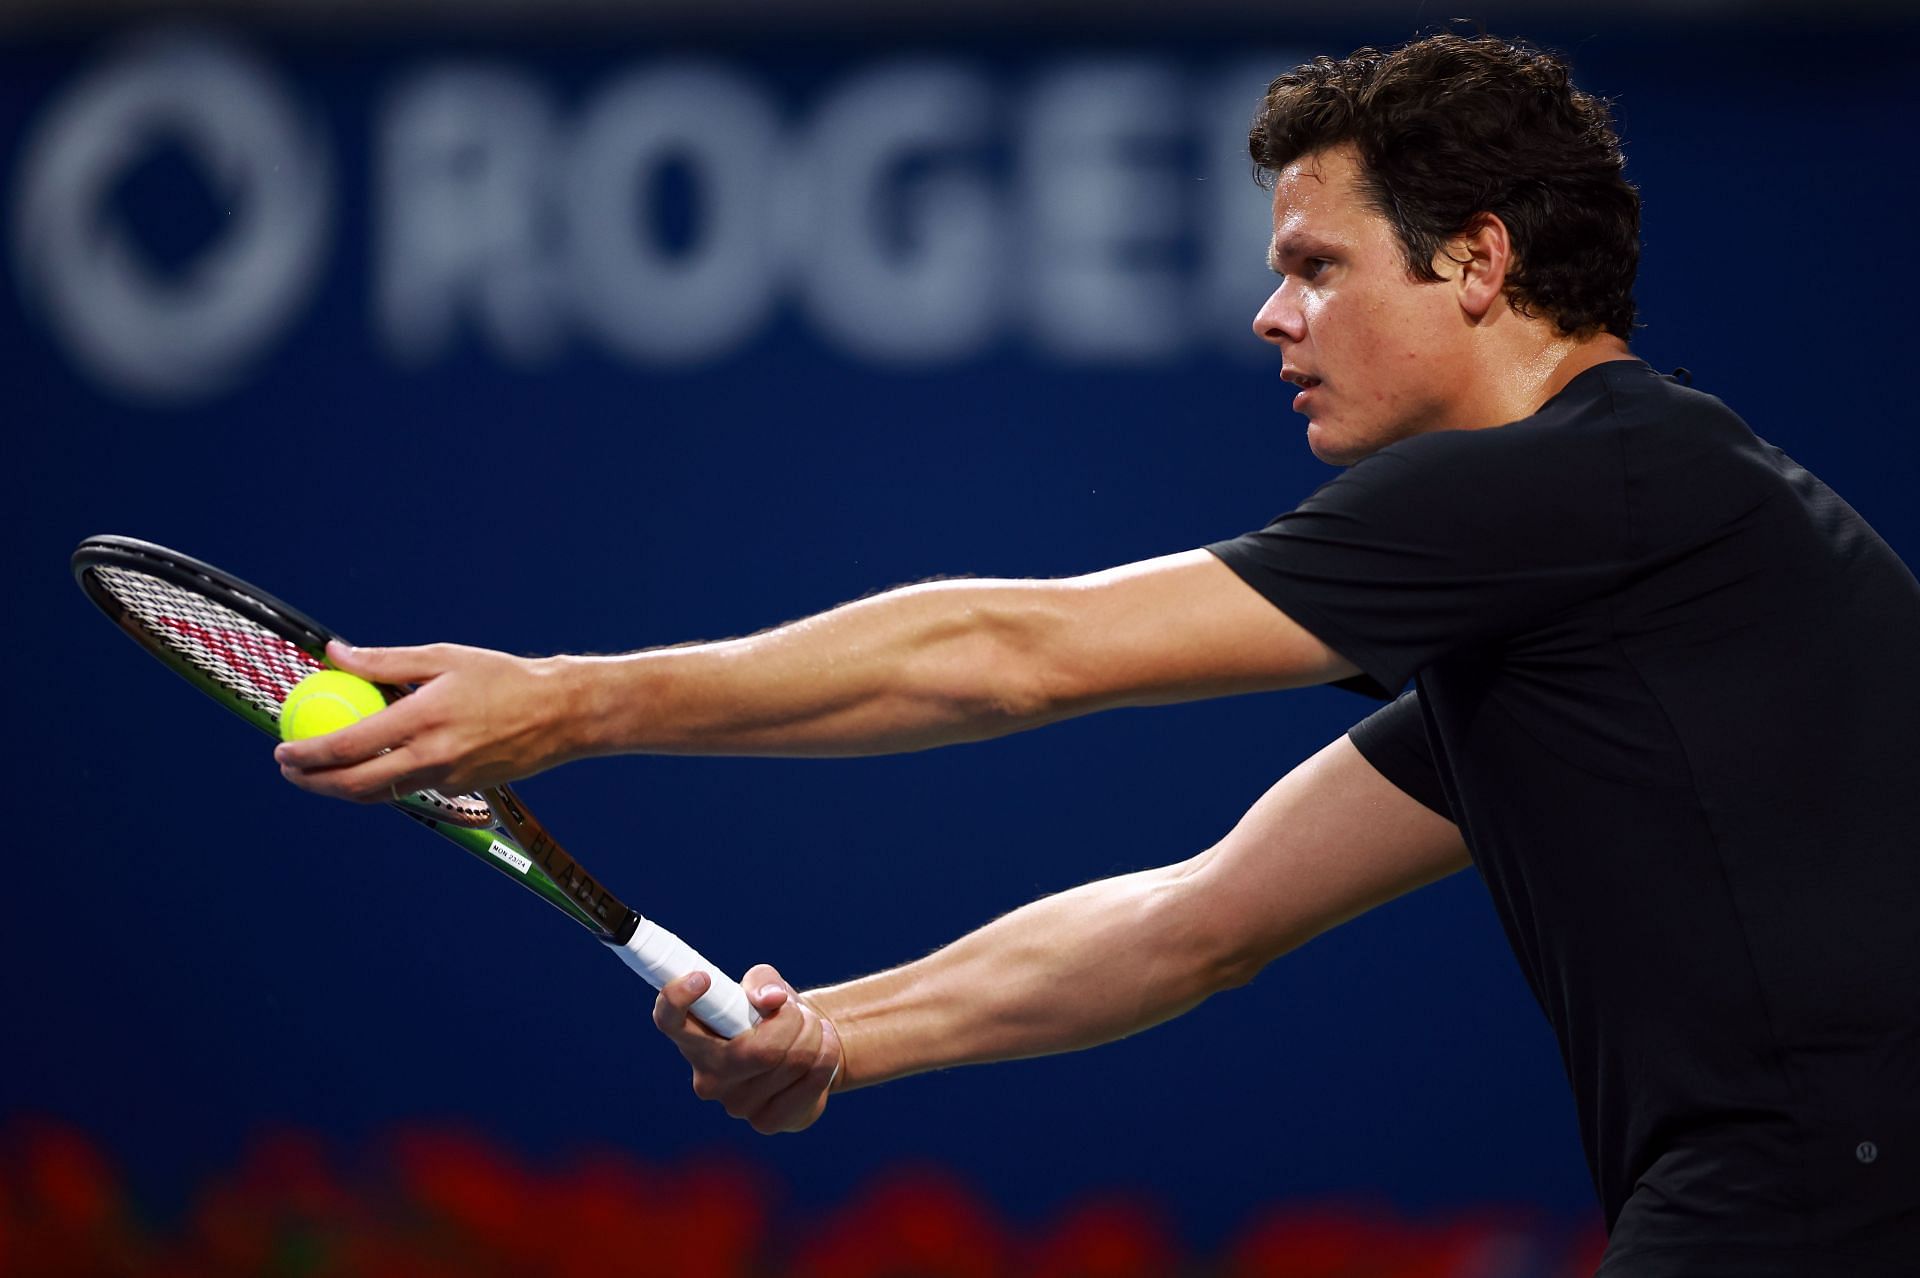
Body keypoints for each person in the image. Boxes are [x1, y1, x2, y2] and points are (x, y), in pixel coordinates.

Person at [276, 33, 1920, 1274]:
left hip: (1823, 1193)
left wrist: (570, 702)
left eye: (1313, 267)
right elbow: (1194, 921)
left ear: (1480, 263)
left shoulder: (1590, 479)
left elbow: (1013, 653)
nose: (1270, 318)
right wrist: (843, 1033)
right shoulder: (1606, 584)